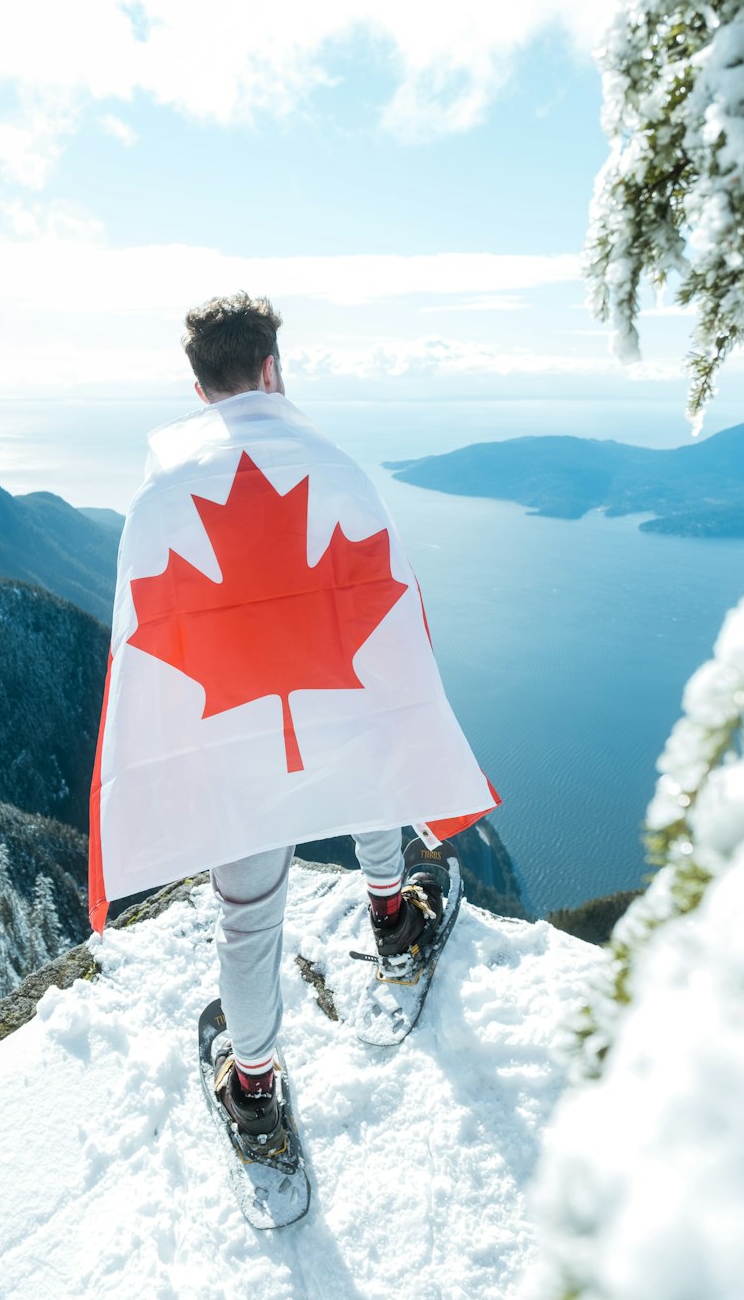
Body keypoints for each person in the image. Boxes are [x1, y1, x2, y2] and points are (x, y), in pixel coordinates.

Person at [89, 292, 498, 1156]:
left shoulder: (159, 493)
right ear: (272, 368)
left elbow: (144, 644)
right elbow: (388, 620)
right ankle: (393, 918)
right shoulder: (336, 466)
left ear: (199, 389)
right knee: (369, 748)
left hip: (229, 732)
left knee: (247, 916)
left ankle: (255, 1087)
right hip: (335, 697)